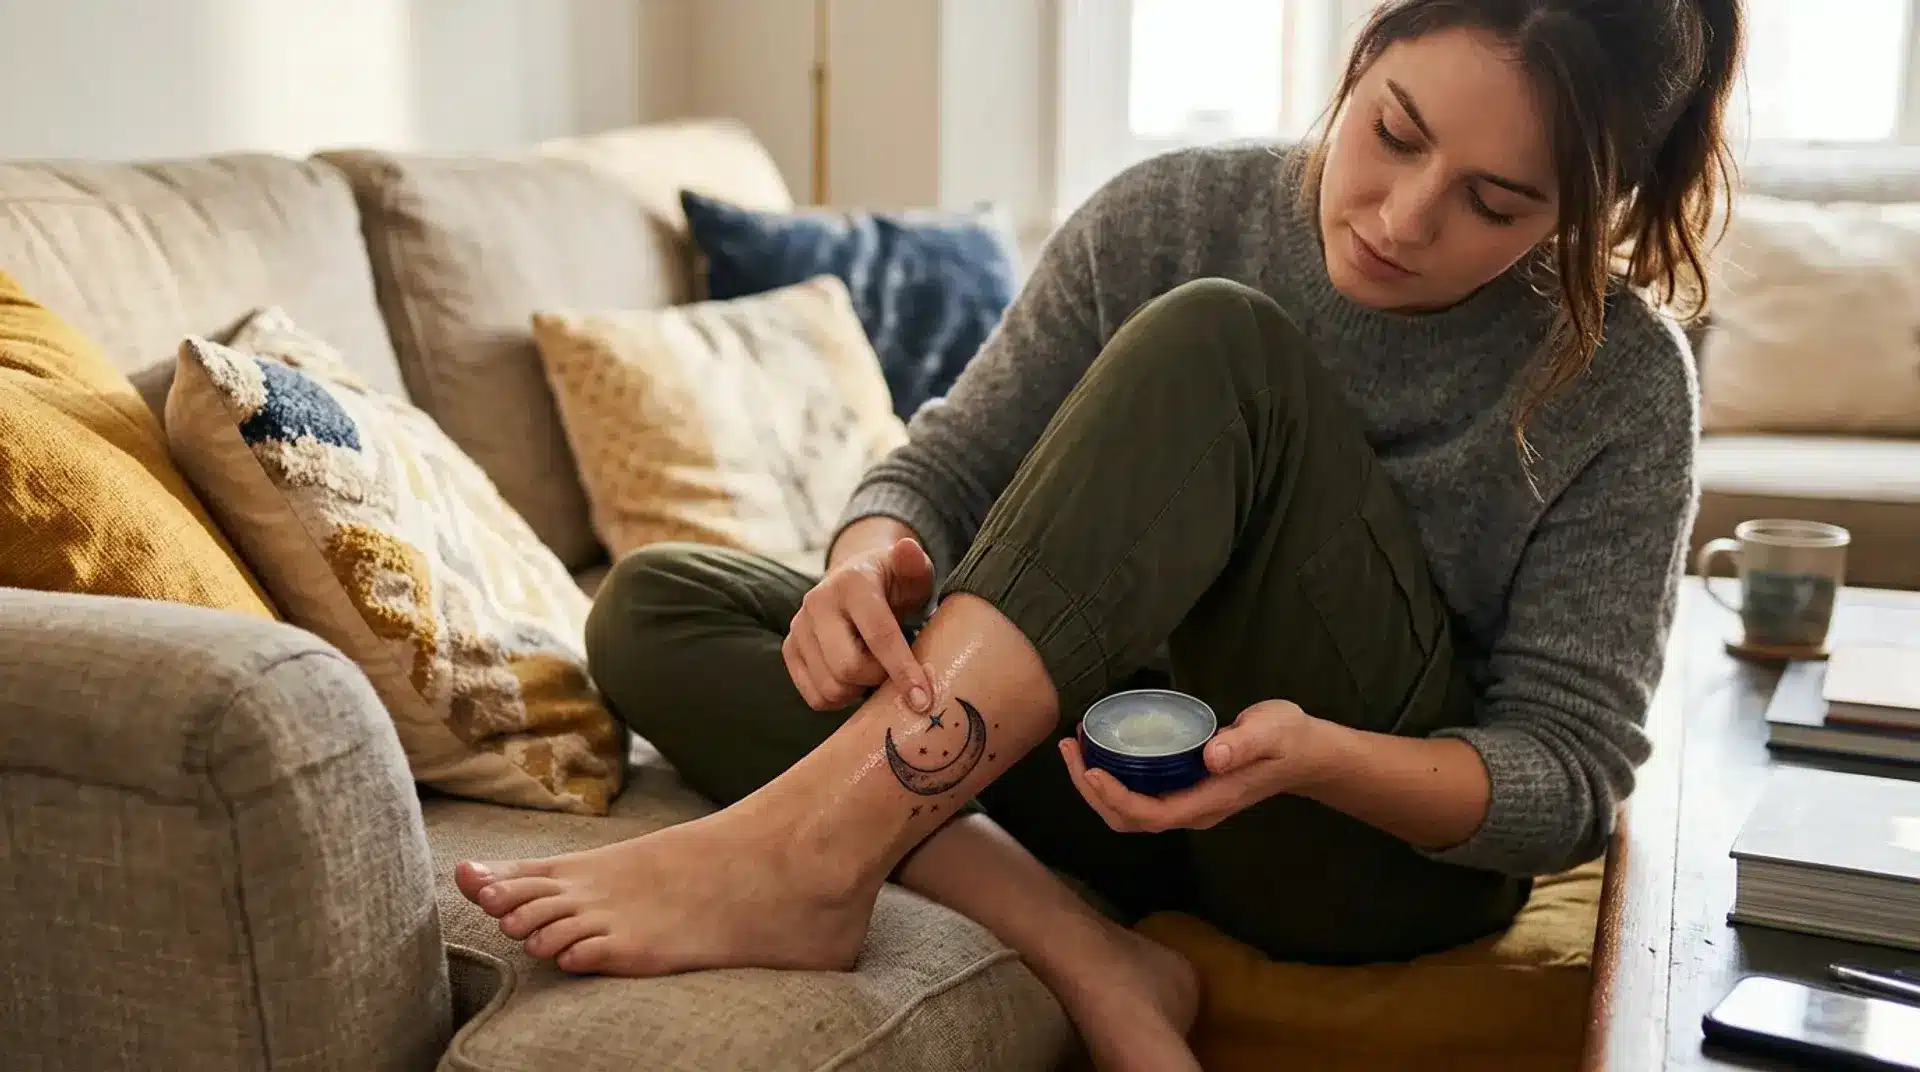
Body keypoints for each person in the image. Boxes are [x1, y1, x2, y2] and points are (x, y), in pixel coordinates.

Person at [455, 1, 1743, 1067]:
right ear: (1359, 59)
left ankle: (812, 846)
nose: (1404, 217)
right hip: (1102, 774)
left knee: (1219, 342)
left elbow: (1566, 782)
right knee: (660, 604)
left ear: (1586, 212)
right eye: (1391, 132)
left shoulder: (1621, 384)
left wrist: (1316, 758)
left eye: (1497, 203)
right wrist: (868, 552)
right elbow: (954, 458)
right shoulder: (1172, 212)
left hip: (1345, 846)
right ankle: (1087, 951)